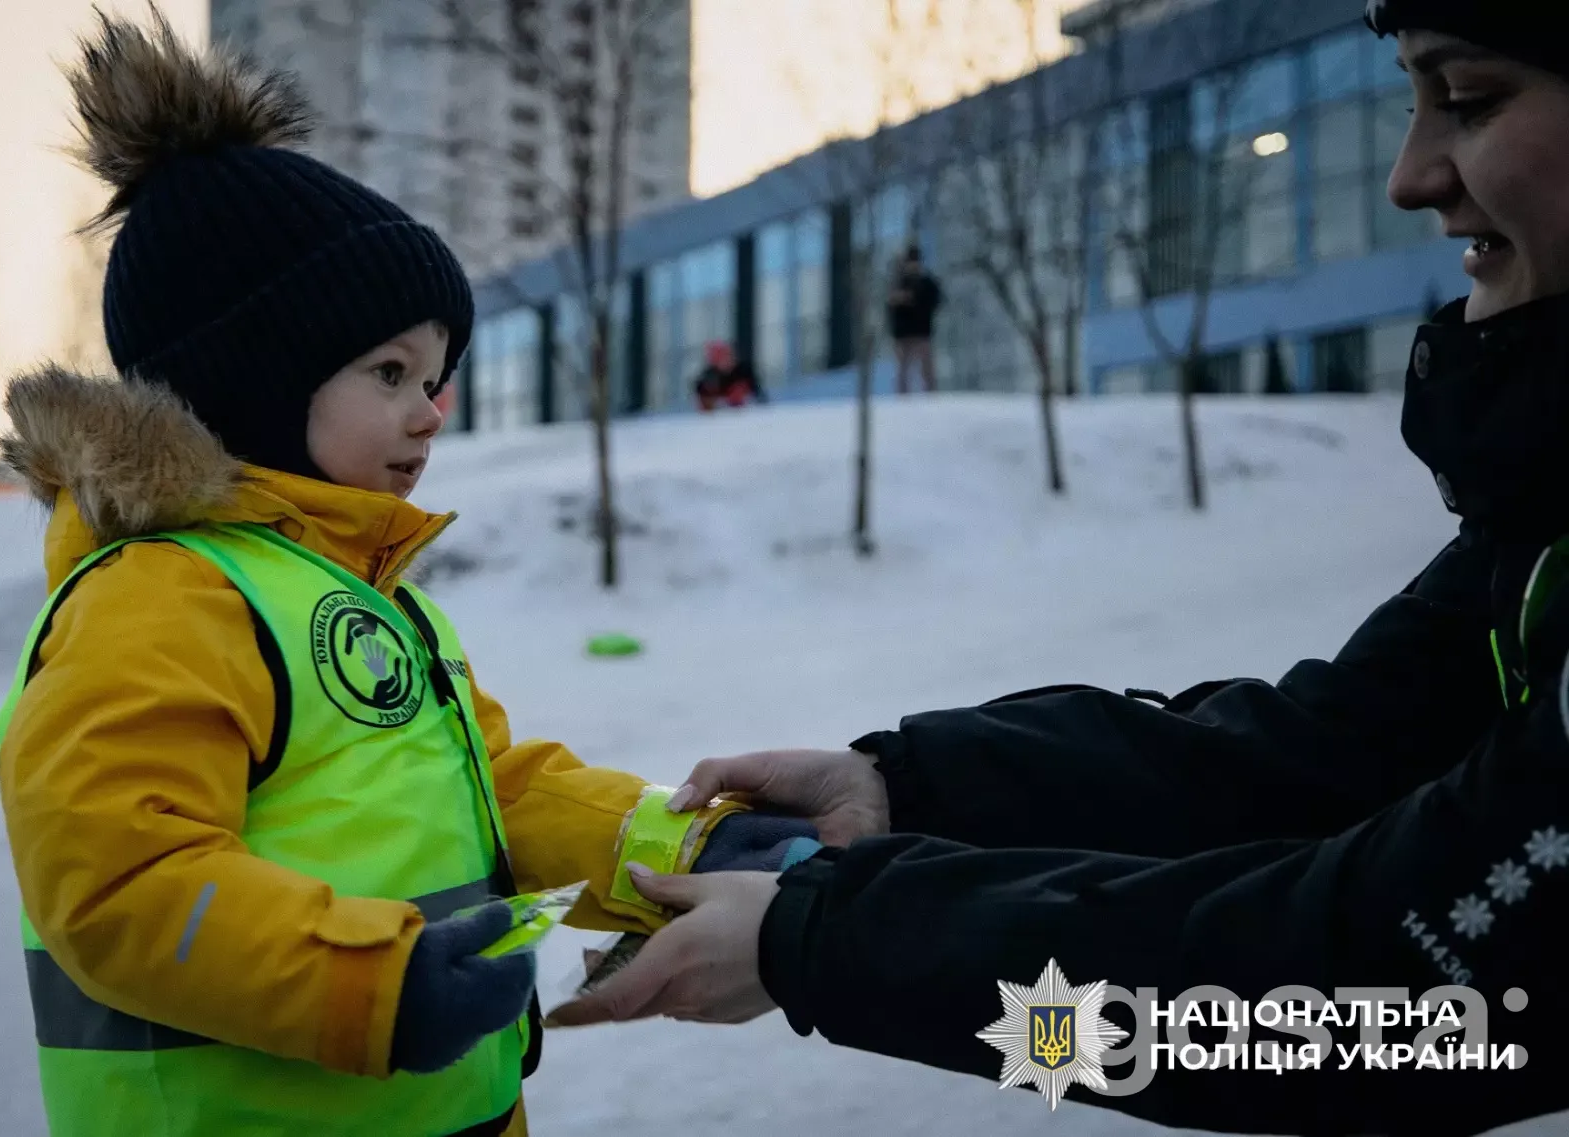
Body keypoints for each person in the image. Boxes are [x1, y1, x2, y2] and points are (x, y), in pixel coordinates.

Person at [545, 3, 1569, 1134]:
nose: (1408, 175)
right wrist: (908, 792)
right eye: (1410, 100)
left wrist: (826, 945)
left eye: (1467, 99)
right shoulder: (1538, 524)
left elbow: (1375, 1006)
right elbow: (1314, 756)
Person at [0, 13, 813, 1137]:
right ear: (252, 376)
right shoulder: (162, 599)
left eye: (438, 375)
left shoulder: (356, 590)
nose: (434, 411)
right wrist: (366, 982)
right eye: (391, 371)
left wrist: (676, 844)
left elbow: (499, 789)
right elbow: (119, 883)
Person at [885, 245, 943, 394]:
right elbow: (889, 306)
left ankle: (932, 398)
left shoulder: (927, 283)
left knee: (927, 371)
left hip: (922, 332)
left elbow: (936, 301)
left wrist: (914, 300)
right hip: (903, 334)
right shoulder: (899, 283)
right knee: (903, 372)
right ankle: (903, 402)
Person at [694, 339, 767, 411]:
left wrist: (744, 396)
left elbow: (761, 399)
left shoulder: (745, 371)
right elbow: (703, 405)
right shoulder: (708, 377)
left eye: (726, 355)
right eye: (719, 357)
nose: (724, 360)